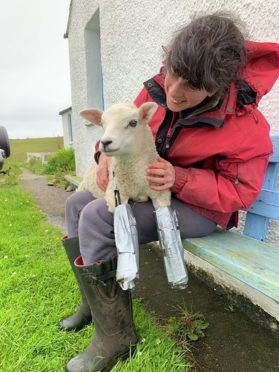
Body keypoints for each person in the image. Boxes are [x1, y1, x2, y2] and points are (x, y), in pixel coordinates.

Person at [60, 13, 279, 372]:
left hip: (199, 208)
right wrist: (102, 156)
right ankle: (95, 305)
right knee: (76, 203)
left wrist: (179, 178)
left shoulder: (247, 126)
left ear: (219, 85)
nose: (173, 91)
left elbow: (238, 194)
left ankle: (116, 337)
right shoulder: (157, 88)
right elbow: (123, 129)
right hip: (147, 188)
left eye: (190, 86)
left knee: (98, 216)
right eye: (171, 71)